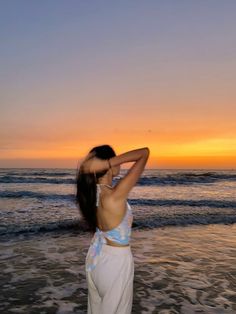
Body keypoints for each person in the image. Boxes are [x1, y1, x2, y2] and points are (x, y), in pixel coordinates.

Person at [75, 145, 150, 314]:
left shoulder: (93, 194)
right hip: (115, 264)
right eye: (116, 159)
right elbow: (144, 153)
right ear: (108, 165)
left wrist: (102, 165)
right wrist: (108, 163)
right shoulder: (114, 196)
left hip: (96, 261)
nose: (119, 163)